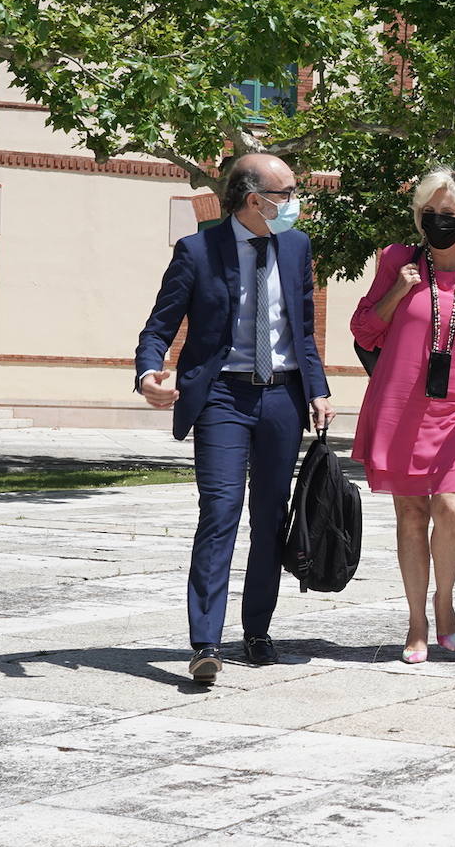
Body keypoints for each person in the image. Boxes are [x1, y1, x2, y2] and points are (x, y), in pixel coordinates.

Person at [136, 153, 334, 683]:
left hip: (282, 399)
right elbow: (158, 328)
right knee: (220, 511)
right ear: (255, 200)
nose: (295, 201)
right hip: (222, 396)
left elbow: (304, 331)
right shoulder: (197, 251)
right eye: (288, 192)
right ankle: (206, 642)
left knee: (270, 517)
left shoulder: (295, 247)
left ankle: (257, 631)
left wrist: (317, 389)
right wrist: (148, 373)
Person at [350, 168, 455, 664]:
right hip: (401, 407)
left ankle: (444, 600)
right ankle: (416, 620)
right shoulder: (397, 261)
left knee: (452, 508)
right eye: (430, 214)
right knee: (410, 514)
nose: (438, 222)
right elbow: (363, 329)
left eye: (449, 215)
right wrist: (398, 291)